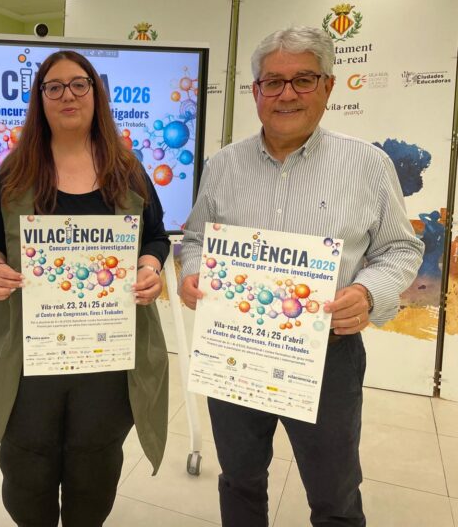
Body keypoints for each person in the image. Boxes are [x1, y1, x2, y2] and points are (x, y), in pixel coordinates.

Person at [179, 26, 424, 527]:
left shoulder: (369, 165)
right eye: (273, 82)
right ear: (255, 92)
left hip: (327, 355)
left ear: (328, 87)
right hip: (235, 350)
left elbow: (401, 248)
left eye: (303, 80)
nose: (287, 94)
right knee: (239, 481)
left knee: (334, 494)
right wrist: (192, 272)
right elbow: (196, 238)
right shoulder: (222, 166)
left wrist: (366, 291)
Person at [0, 50, 170, 527]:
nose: (67, 95)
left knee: (94, 468)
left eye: (79, 84)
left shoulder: (128, 170)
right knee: (26, 468)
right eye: (53, 87)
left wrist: (148, 264)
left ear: (96, 95)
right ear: (41, 100)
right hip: (27, 354)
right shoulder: (15, 171)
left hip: (106, 356)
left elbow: (156, 235)